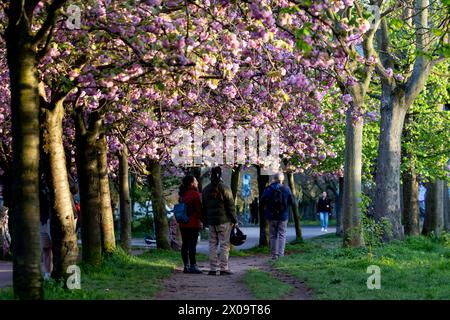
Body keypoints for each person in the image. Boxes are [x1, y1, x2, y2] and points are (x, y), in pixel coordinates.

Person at [202, 167, 237, 275]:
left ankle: (212, 268)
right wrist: (234, 220)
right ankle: (223, 268)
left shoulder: (206, 189)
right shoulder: (225, 188)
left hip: (212, 222)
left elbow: (204, 207)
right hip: (224, 221)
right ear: (220, 175)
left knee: (212, 244)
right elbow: (231, 206)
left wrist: (205, 221)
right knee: (224, 245)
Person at [261, 172, 294, 260]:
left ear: (274, 179)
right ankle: (281, 254)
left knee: (273, 235)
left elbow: (262, 201)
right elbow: (292, 202)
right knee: (282, 235)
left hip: (271, 216)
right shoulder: (286, 188)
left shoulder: (268, 189)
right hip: (283, 216)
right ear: (282, 179)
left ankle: (274, 255)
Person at [178, 175, 203, 274]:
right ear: (192, 183)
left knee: (185, 244)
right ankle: (193, 265)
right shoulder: (195, 194)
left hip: (183, 223)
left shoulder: (182, 194)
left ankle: (186, 266)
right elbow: (199, 210)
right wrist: (202, 220)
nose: (197, 182)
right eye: (196, 180)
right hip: (193, 223)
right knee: (192, 245)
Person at [39, 174, 53, 280]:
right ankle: (47, 274)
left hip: (56, 217)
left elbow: (74, 189)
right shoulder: (38, 178)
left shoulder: (61, 173)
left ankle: (58, 273)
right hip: (43, 218)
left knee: (58, 247)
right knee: (45, 247)